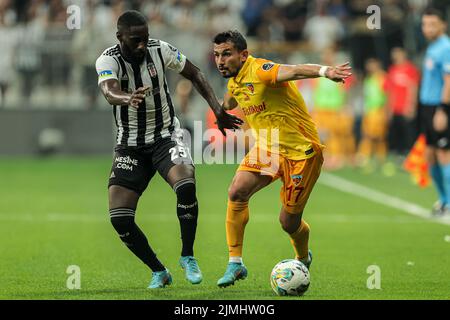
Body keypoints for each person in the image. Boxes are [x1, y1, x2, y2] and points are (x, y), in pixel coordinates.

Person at [95, 11, 242, 289]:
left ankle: (188, 255)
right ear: (120, 38)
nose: (141, 45)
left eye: (145, 38)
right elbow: (108, 91)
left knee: (185, 183)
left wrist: (217, 109)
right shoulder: (108, 59)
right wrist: (128, 98)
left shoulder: (160, 50)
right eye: (135, 40)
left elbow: (195, 72)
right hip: (130, 145)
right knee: (120, 219)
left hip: (166, 136)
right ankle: (158, 271)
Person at [212, 30, 351, 287]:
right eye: (217, 55)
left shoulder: (261, 70)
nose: (220, 61)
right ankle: (235, 263)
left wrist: (325, 72)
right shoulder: (234, 82)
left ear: (243, 55)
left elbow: (296, 70)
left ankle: (302, 257)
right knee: (236, 192)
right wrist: (221, 110)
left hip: (302, 153)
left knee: (288, 223)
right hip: (268, 149)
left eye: (227, 54)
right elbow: (230, 101)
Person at [419, 8, 450, 216]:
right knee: (430, 155)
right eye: (424, 24)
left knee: (444, 154)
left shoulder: (445, 47)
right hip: (427, 107)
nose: (427, 28)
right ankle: (443, 199)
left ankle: (449, 202)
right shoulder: (432, 48)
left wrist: (443, 110)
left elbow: (449, 81)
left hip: (439, 107)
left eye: (432, 24)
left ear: (443, 25)